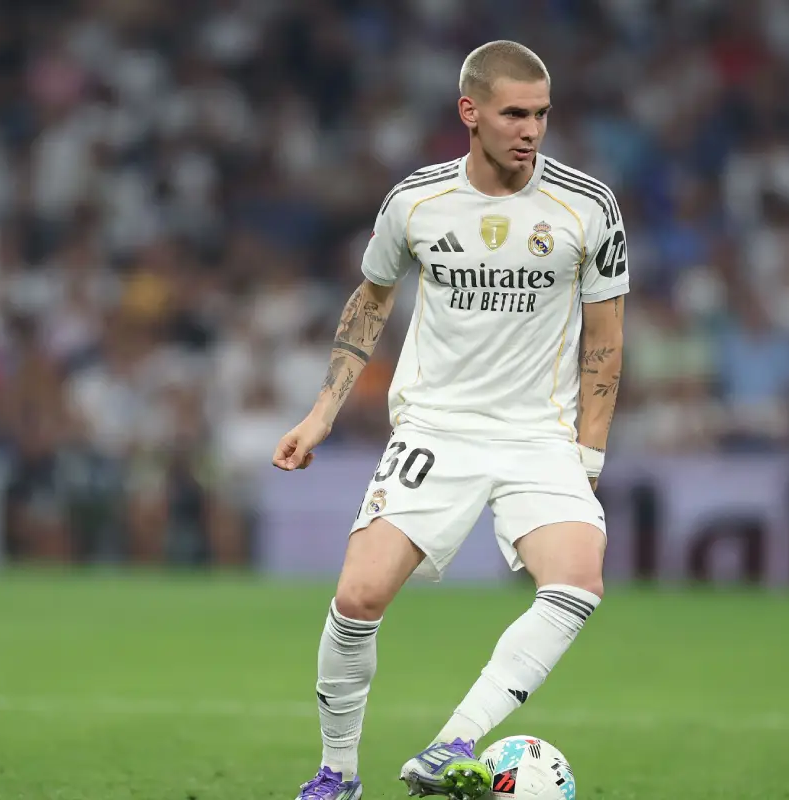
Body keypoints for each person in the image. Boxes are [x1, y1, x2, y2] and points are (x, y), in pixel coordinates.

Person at [272, 40, 628, 800]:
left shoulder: (587, 206)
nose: (531, 130)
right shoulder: (416, 201)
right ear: (470, 112)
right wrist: (321, 413)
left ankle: (455, 741)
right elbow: (371, 300)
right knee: (358, 598)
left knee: (579, 579)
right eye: (514, 114)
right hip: (435, 428)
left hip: (538, 435)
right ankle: (338, 771)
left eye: (541, 115)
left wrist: (586, 464)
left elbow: (606, 342)